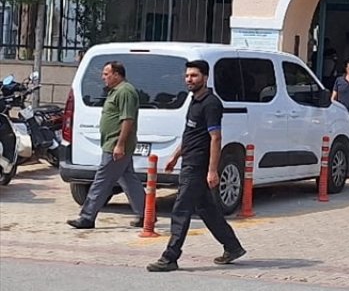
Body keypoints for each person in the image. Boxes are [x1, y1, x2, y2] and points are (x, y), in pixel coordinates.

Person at [146, 60, 245, 272]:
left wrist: (212, 170)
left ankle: (170, 256)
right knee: (207, 210)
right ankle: (233, 247)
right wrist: (175, 156)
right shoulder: (194, 100)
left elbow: (215, 138)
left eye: (194, 76)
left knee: (181, 209)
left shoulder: (211, 104)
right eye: (187, 76)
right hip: (188, 161)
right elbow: (191, 134)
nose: (189, 79)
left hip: (197, 166)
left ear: (205, 78)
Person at [67, 61, 146, 229]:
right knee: (129, 180)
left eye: (106, 74)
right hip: (113, 143)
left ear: (117, 74)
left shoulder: (125, 91)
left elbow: (127, 119)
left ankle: (87, 216)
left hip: (116, 145)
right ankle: (146, 215)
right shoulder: (116, 91)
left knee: (101, 181)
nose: (103, 77)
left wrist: (120, 144)